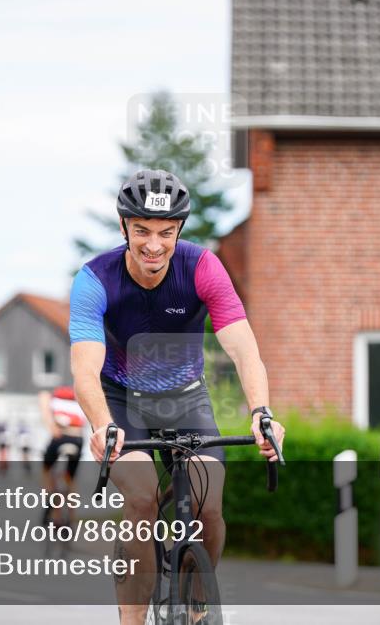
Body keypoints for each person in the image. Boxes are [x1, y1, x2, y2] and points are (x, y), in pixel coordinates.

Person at [69, 169, 285, 625]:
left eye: (166, 232)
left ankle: (196, 599)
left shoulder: (202, 267)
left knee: (209, 507)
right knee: (143, 499)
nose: (154, 244)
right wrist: (101, 423)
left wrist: (261, 412)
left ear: (179, 230)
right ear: (124, 225)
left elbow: (244, 348)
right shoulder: (95, 279)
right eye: (142, 230)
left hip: (186, 399)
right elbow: (85, 367)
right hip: (121, 401)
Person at [38, 386, 87, 519]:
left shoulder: (53, 399)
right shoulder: (79, 400)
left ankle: (50, 497)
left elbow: (45, 410)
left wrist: (52, 426)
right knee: (71, 478)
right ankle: (71, 515)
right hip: (77, 439)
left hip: (59, 437)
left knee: (47, 468)